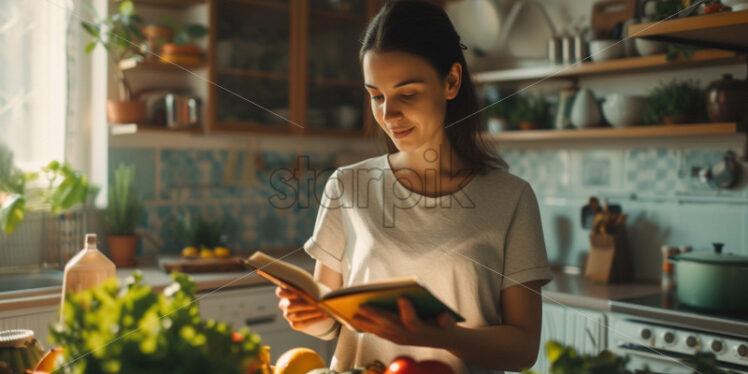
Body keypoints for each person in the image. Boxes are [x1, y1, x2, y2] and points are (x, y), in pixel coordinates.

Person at [275, 1, 553, 373]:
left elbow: (523, 349)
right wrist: (306, 314)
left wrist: (441, 336)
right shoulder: (347, 186)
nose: (388, 115)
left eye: (407, 94)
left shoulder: (512, 199)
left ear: (451, 81)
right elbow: (329, 326)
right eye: (376, 96)